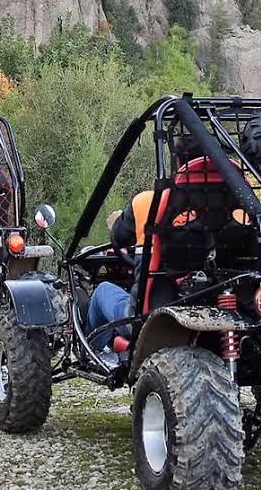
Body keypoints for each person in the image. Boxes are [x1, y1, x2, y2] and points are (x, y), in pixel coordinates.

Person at [85, 137, 203, 351]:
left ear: (177, 164)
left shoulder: (146, 202)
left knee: (102, 291)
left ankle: (92, 352)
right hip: (208, 315)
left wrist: (116, 222)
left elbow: (119, 239)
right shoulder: (236, 211)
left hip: (150, 317)